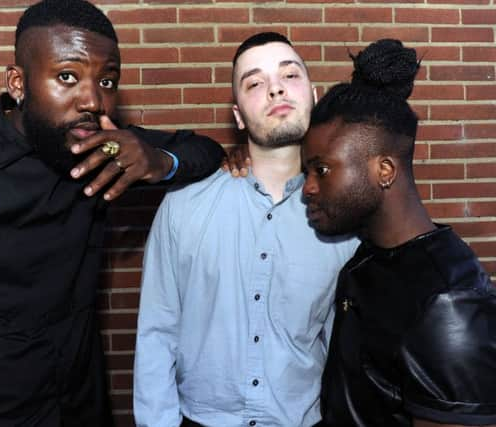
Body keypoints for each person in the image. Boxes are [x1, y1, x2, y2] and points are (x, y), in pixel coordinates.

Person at [0, 0, 225, 425]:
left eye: (107, 80)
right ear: (18, 82)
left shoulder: (102, 148)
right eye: (67, 76)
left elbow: (206, 151)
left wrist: (160, 162)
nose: (93, 99)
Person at [133, 32, 359, 427]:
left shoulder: (344, 220)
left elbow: (346, 348)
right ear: (237, 115)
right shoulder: (184, 206)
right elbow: (157, 334)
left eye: (290, 76)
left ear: (313, 94)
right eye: (255, 83)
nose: (275, 89)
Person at [301, 38, 496, 427]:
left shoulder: (448, 308)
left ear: (384, 171)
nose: (307, 187)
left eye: (320, 169)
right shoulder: (367, 260)